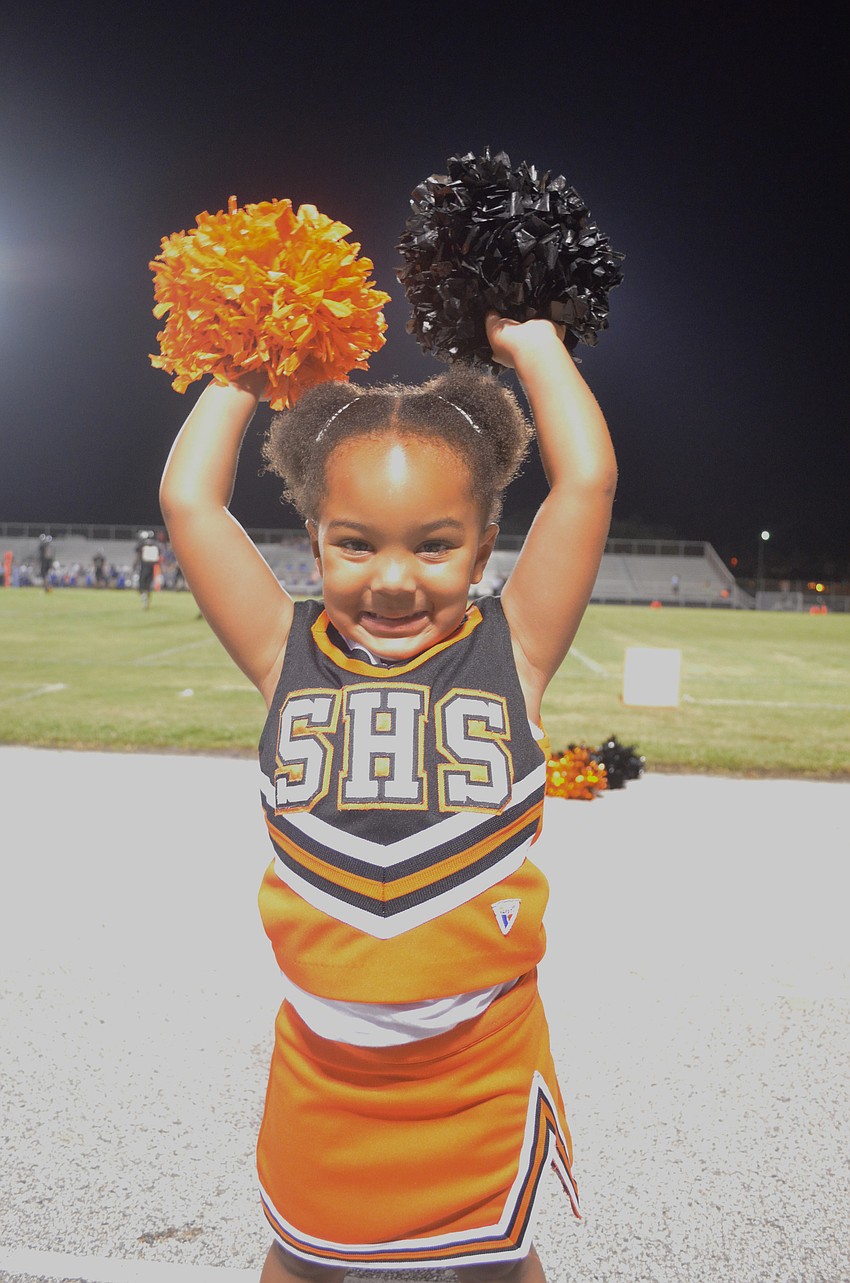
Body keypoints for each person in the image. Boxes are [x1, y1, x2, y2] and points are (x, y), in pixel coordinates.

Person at [159, 312, 617, 1283]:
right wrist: (249, 363)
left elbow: (584, 483)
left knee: (497, 1261)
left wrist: (533, 345)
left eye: (436, 545)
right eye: (357, 543)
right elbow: (190, 502)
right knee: (304, 1257)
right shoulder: (287, 653)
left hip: (478, 1067)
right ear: (315, 539)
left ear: (486, 544)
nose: (395, 579)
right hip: (328, 1074)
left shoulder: (513, 650)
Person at [135, 529, 160, 607]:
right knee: (148, 585)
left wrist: (134, 565)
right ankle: (147, 599)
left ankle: (144, 598)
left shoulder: (142, 544)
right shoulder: (156, 544)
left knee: (141, 584)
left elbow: (138, 556)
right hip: (153, 566)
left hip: (145, 565)